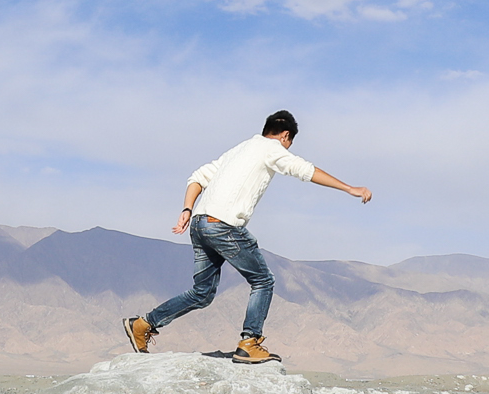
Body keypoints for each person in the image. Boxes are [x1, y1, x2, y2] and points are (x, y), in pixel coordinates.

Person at [123, 109, 371, 365]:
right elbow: (304, 170)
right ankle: (249, 342)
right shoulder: (270, 148)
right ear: (285, 136)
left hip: (200, 223)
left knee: (202, 293)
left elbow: (197, 177)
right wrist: (350, 188)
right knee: (263, 280)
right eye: (289, 143)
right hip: (222, 225)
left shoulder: (239, 150)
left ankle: (143, 324)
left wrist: (187, 209)